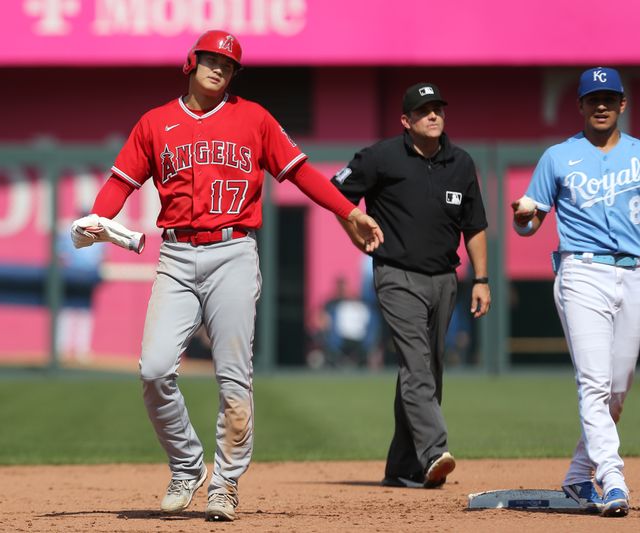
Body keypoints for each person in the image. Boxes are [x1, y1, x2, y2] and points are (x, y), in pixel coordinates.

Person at [73, 30, 382, 521]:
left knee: (233, 375)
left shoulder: (254, 118)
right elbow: (121, 182)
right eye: (213, 60)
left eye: (229, 64)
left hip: (233, 252)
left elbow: (301, 172)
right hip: (175, 257)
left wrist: (348, 212)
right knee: (153, 369)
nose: (220, 68)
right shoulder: (156, 122)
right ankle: (186, 463)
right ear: (191, 62)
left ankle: (225, 483)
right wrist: (96, 217)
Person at [331, 82, 491, 489]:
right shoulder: (382, 157)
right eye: (423, 110)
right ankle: (434, 451)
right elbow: (335, 192)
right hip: (396, 275)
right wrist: (355, 232)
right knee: (417, 365)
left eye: (438, 108)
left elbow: (474, 227)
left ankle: (402, 466)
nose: (433, 115)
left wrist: (482, 279)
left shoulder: (460, 162)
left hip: (444, 279)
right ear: (406, 121)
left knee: (429, 372)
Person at [511, 67, 638, 518]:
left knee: (617, 392)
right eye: (592, 98)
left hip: (636, 274)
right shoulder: (559, 157)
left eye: (609, 97)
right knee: (594, 382)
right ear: (580, 105)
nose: (600, 104)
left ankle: (577, 476)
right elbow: (528, 225)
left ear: (623, 103)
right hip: (582, 272)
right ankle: (614, 479)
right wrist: (525, 215)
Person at [55, 216, 104, 363]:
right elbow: (60, 253)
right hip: (71, 275)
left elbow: (101, 257)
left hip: (88, 277)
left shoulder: (99, 236)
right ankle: (61, 349)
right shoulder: (70, 232)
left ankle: (81, 350)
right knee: (66, 311)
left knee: (84, 313)